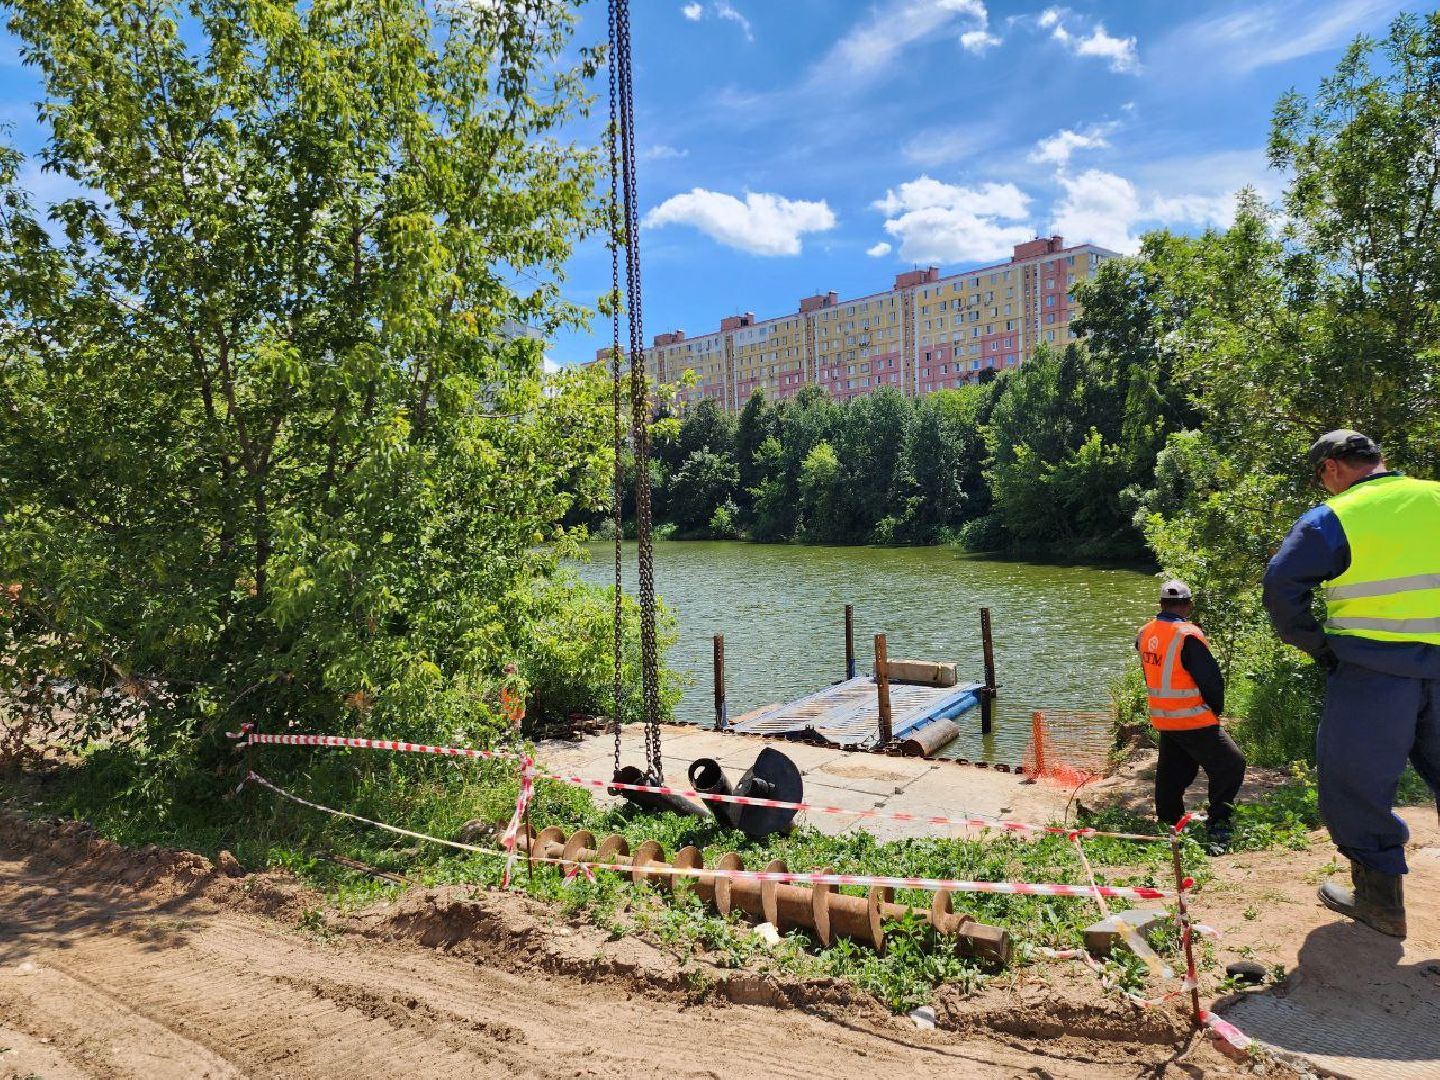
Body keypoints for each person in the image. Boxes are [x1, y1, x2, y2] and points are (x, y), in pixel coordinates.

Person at [1263, 429, 1440, 940]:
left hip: (1372, 674)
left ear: (1332, 468)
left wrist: (1318, 645)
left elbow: (1280, 586)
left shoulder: (1335, 516)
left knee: (1355, 784)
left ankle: (1381, 903)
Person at [1136, 579, 1246, 854]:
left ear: (1161, 604)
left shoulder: (1145, 632)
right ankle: (1218, 826)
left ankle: (1169, 823)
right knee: (1231, 764)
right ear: (1188, 606)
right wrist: (1214, 711)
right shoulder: (1188, 635)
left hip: (1163, 716)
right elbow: (1211, 681)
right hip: (1192, 717)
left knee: (1173, 771)